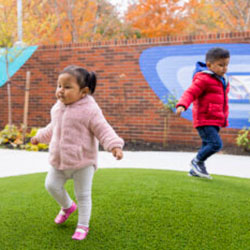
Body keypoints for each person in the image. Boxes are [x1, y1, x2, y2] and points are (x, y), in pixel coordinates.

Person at [31, 65, 124, 240]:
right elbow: (53, 127)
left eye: (67, 87)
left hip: (83, 162)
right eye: (59, 86)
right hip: (59, 159)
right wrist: (39, 137)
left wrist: (114, 145)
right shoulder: (58, 107)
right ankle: (67, 207)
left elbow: (103, 129)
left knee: (83, 195)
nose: (60, 91)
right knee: (51, 185)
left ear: (84, 92)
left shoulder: (90, 110)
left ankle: (83, 225)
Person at [176, 47, 230, 179]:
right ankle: (196, 161)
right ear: (209, 65)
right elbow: (191, 92)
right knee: (216, 144)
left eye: (227, 65)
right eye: (221, 65)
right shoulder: (203, 79)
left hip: (216, 119)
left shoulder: (223, 80)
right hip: (205, 118)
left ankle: (196, 170)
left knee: (207, 144)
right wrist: (183, 104)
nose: (224, 68)